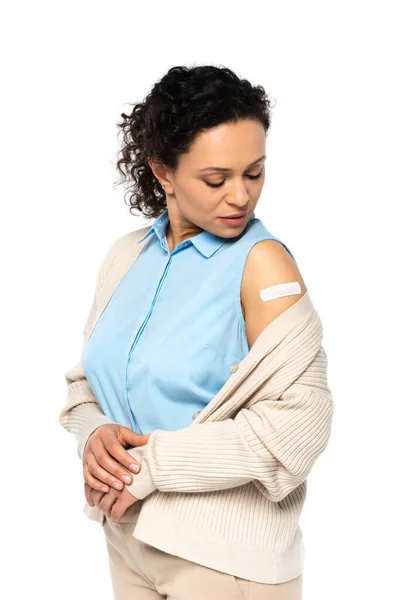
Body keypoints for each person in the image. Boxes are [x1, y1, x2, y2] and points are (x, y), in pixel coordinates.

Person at [60, 64, 333, 599]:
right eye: (216, 179)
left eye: (254, 173)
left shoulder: (263, 265)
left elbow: (302, 427)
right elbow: (85, 384)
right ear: (162, 172)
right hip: (128, 540)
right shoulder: (126, 257)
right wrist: (94, 434)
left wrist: (150, 465)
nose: (240, 197)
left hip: (225, 563)